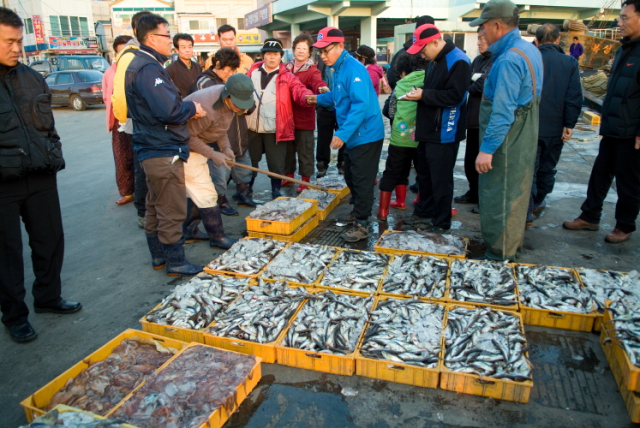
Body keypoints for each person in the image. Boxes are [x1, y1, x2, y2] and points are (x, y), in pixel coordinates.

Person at [0, 7, 81, 343]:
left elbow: (49, 126)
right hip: (3, 183)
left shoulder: (32, 76)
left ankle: (48, 297)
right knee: (7, 254)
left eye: (19, 41)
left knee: (50, 241)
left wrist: (54, 152)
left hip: (42, 175)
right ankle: (15, 315)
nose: (17, 48)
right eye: (9, 41)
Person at [125, 14, 207, 276]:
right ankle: (176, 262)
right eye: (167, 36)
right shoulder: (148, 68)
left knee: (154, 205)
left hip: (150, 148)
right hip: (162, 149)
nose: (170, 41)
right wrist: (191, 107)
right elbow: (168, 111)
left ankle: (158, 257)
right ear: (151, 38)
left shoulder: (140, 64)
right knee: (171, 209)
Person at [469, 0, 543, 260]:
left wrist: (487, 149)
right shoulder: (529, 50)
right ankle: (511, 250)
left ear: (497, 26)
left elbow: (502, 112)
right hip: (525, 134)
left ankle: (498, 257)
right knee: (515, 197)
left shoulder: (508, 60)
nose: (483, 34)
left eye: (484, 27)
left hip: (507, 140)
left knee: (498, 198)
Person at [563, 0, 640, 243]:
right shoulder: (623, 49)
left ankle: (624, 226)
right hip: (613, 126)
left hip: (632, 131)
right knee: (600, 173)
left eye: (625, 18)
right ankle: (590, 216)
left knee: (628, 181)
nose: (620, 23)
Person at [307, 27, 385, 242]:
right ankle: (357, 211)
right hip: (353, 134)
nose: (323, 56)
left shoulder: (354, 69)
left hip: (366, 135)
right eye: (319, 52)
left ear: (341, 46)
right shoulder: (337, 68)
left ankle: (362, 223)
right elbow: (339, 95)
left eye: (326, 51)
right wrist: (318, 99)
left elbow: (360, 105)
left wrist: (342, 133)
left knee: (362, 178)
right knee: (350, 174)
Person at [403, 24, 471, 233]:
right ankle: (424, 212)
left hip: (445, 131)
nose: (422, 55)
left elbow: (455, 96)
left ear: (435, 42)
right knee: (424, 174)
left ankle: (441, 222)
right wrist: (421, 92)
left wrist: (424, 95)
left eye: (423, 49)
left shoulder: (459, 61)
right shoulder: (433, 60)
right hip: (428, 128)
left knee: (441, 179)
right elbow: (434, 89)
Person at [182, 74, 255, 249]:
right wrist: (212, 154)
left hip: (197, 141)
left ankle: (188, 230)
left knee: (194, 192)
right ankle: (217, 237)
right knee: (206, 193)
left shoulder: (228, 102)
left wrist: (226, 148)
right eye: (239, 105)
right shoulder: (207, 107)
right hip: (181, 145)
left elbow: (220, 128)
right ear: (228, 96)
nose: (242, 109)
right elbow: (188, 137)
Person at [245, 38, 314, 199]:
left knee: (276, 163)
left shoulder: (287, 76)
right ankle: (246, 190)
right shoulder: (253, 71)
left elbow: (299, 90)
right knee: (250, 161)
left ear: (280, 56)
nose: (272, 57)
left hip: (275, 128)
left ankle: (275, 192)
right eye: (268, 53)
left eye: (275, 54)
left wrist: (309, 97)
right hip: (252, 126)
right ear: (263, 55)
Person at [528, 24, 582, 220]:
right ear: (558, 40)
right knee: (547, 167)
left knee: (529, 168)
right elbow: (574, 96)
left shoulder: (530, 59)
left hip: (531, 126)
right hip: (556, 128)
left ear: (537, 40)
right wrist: (569, 124)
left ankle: (528, 203)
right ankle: (539, 199)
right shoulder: (569, 63)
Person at [194, 48, 258, 215]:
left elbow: (249, 106)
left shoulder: (235, 83)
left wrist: (226, 147)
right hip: (209, 140)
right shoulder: (206, 85)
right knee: (218, 175)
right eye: (228, 70)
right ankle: (220, 202)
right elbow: (194, 133)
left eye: (234, 70)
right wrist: (216, 151)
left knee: (244, 167)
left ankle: (243, 195)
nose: (230, 74)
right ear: (217, 65)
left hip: (236, 135)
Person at [112, 10, 152, 229]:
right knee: (142, 168)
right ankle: (142, 211)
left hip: (149, 121)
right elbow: (119, 94)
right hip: (138, 122)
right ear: (138, 30)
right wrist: (126, 120)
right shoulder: (130, 55)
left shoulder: (146, 53)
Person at [377, 53, 427, 221]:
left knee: (393, 172)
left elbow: (391, 111)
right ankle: (419, 202)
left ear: (403, 71)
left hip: (401, 138)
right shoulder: (430, 80)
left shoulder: (400, 85)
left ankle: (385, 210)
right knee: (422, 173)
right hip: (422, 137)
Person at [282, 34, 328, 192]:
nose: (301, 51)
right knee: (287, 149)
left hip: (304, 117)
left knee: (305, 150)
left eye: (304, 48)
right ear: (293, 50)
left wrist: (321, 88)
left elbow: (317, 83)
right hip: (286, 117)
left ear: (309, 52)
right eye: (298, 48)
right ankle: (288, 176)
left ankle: (305, 180)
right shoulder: (285, 67)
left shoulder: (312, 70)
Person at [454, 27, 493, 211]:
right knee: (470, 160)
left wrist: (474, 80)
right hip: (472, 119)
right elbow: (466, 82)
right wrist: (474, 80)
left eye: (482, 39)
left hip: (486, 121)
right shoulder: (478, 60)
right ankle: (473, 192)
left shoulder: (498, 60)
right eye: (478, 39)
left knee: (484, 163)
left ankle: (483, 199)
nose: (478, 43)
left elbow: (481, 85)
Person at [103, 35, 135, 206]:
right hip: (119, 121)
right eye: (121, 51)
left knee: (140, 157)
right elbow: (105, 96)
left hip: (138, 119)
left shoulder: (138, 68)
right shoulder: (110, 72)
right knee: (122, 157)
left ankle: (143, 191)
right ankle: (127, 192)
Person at [386, 15, 435, 89]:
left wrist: (402, 89)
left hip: (403, 94)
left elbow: (392, 76)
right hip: (429, 96)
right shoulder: (439, 56)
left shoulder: (402, 53)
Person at [315, 58, 344, 177]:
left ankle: (343, 163)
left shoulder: (345, 65)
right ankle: (322, 165)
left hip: (342, 107)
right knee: (323, 138)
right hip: (325, 106)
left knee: (343, 136)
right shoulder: (321, 64)